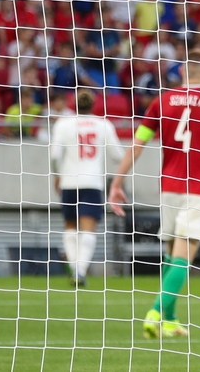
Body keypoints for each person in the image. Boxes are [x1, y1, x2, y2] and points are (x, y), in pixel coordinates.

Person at [108, 48, 200, 339]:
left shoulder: (162, 100)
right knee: (184, 257)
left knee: (171, 256)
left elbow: (137, 144)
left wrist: (117, 182)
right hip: (199, 187)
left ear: (181, 72)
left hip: (168, 188)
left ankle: (170, 321)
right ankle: (155, 312)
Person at [51, 89, 123, 287]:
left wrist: (57, 176)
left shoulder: (62, 124)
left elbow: (55, 155)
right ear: (93, 105)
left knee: (70, 227)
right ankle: (80, 271)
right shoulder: (103, 124)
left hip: (68, 182)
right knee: (88, 229)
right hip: (92, 182)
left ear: (74, 104)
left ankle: (75, 269)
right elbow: (117, 155)